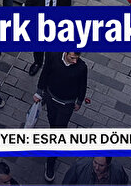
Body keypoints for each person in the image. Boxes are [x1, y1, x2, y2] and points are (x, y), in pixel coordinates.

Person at [34, 52, 88, 183]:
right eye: (72, 57)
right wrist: (39, 91)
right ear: (65, 53)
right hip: (51, 98)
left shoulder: (81, 67)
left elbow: (82, 85)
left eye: (77, 58)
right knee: (52, 122)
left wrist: (79, 101)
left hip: (66, 104)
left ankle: (51, 161)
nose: (75, 61)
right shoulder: (53, 56)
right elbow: (45, 73)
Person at [62, 157, 129, 185]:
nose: (96, 168)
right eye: (95, 162)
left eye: (101, 165)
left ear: (108, 164)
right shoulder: (80, 166)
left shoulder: (118, 171)